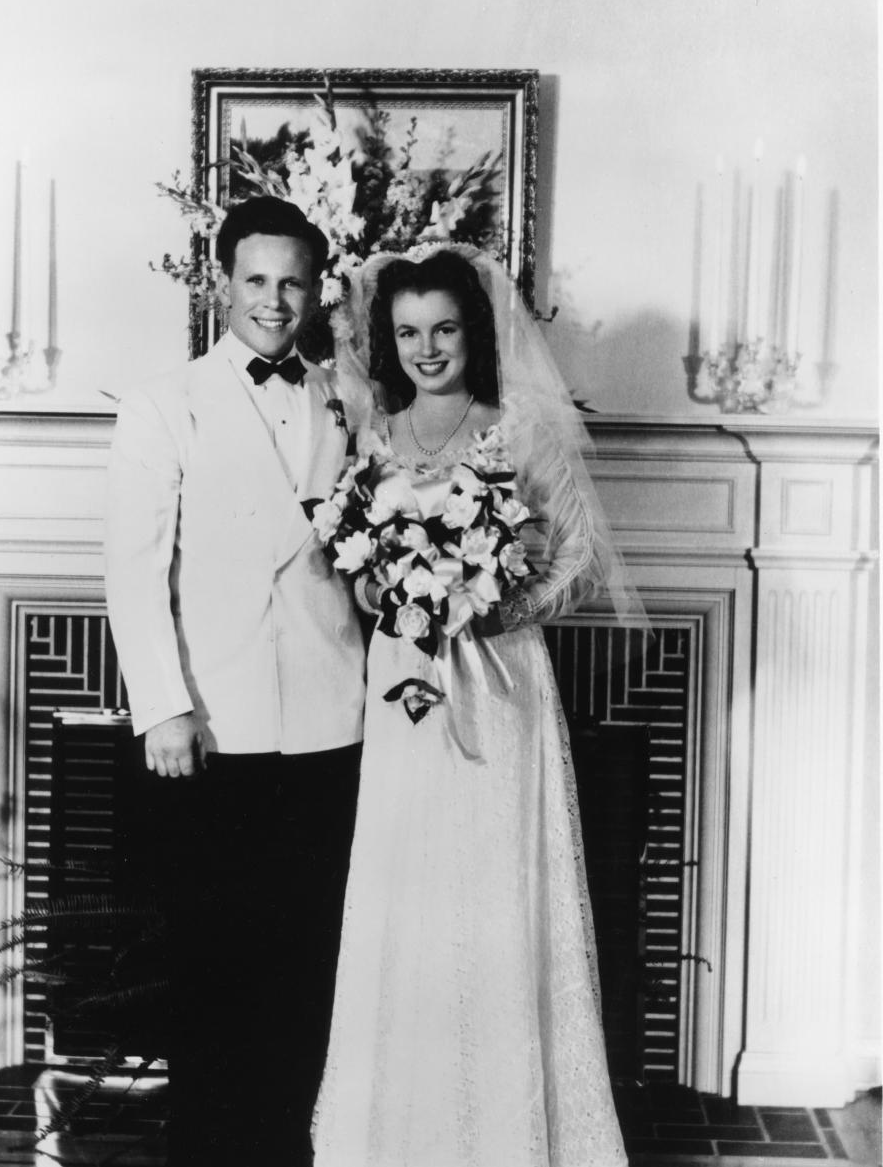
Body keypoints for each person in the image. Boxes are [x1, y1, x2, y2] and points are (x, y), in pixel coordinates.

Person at [312, 247, 642, 1167]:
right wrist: (391, 595)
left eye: (445, 329)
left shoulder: (520, 428)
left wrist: (485, 606)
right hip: (403, 688)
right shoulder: (375, 434)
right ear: (391, 339)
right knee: (406, 890)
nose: (427, 349)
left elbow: (576, 565)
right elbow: (356, 557)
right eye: (409, 332)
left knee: (492, 889)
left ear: (477, 332)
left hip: (495, 685)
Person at [103, 196, 365, 1167]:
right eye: (256, 279)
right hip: (213, 729)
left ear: (316, 288)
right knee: (214, 974)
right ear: (221, 285)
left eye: (293, 280)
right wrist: (164, 706)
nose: (275, 299)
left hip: (333, 722)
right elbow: (135, 568)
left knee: (305, 972)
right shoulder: (164, 403)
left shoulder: (346, 400)